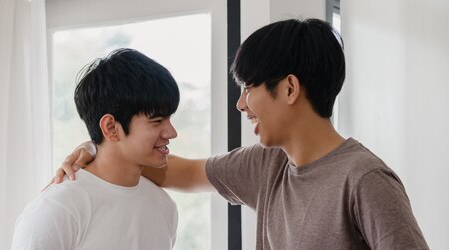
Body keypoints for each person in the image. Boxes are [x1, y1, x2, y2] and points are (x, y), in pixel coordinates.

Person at [53, 19, 429, 249]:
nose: (241, 104)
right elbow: (174, 171)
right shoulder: (267, 165)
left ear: (289, 89)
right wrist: (101, 146)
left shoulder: (365, 180)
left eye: (249, 88)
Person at [11, 48, 180, 250]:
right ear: (110, 127)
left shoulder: (164, 206)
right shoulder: (59, 208)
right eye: (157, 121)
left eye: (169, 118)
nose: (172, 132)